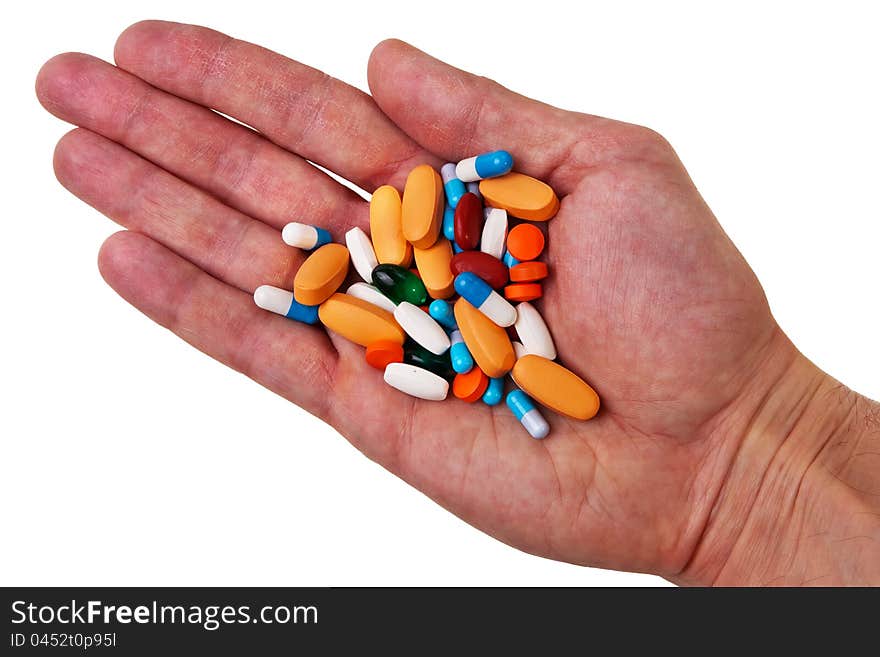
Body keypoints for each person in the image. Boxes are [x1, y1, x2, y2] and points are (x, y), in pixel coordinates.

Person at [35, 20, 879, 586]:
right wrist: (754, 471)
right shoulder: (434, 289)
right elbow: (429, 312)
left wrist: (747, 476)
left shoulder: (480, 285)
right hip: (447, 320)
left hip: (466, 328)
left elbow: (460, 311)